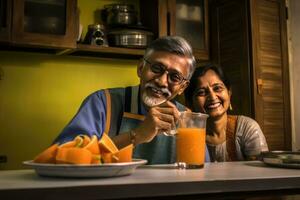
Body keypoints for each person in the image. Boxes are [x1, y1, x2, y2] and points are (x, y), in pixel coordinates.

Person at [53, 36, 210, 164]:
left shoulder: (188, 120)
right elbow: (62, 157)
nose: (162, 81)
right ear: (141, 68)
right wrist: (137, 135)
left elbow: (203, 174)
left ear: (182, 87)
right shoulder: (102, 103)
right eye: (156, 68)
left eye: (174, 77)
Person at [184, 64, 268, 162]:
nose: (212, 97)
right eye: (202, 92)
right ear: (190, 102)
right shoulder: (185, 134)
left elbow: (260, 172)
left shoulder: (247, 128)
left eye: (217, 88)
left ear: (229, 93)